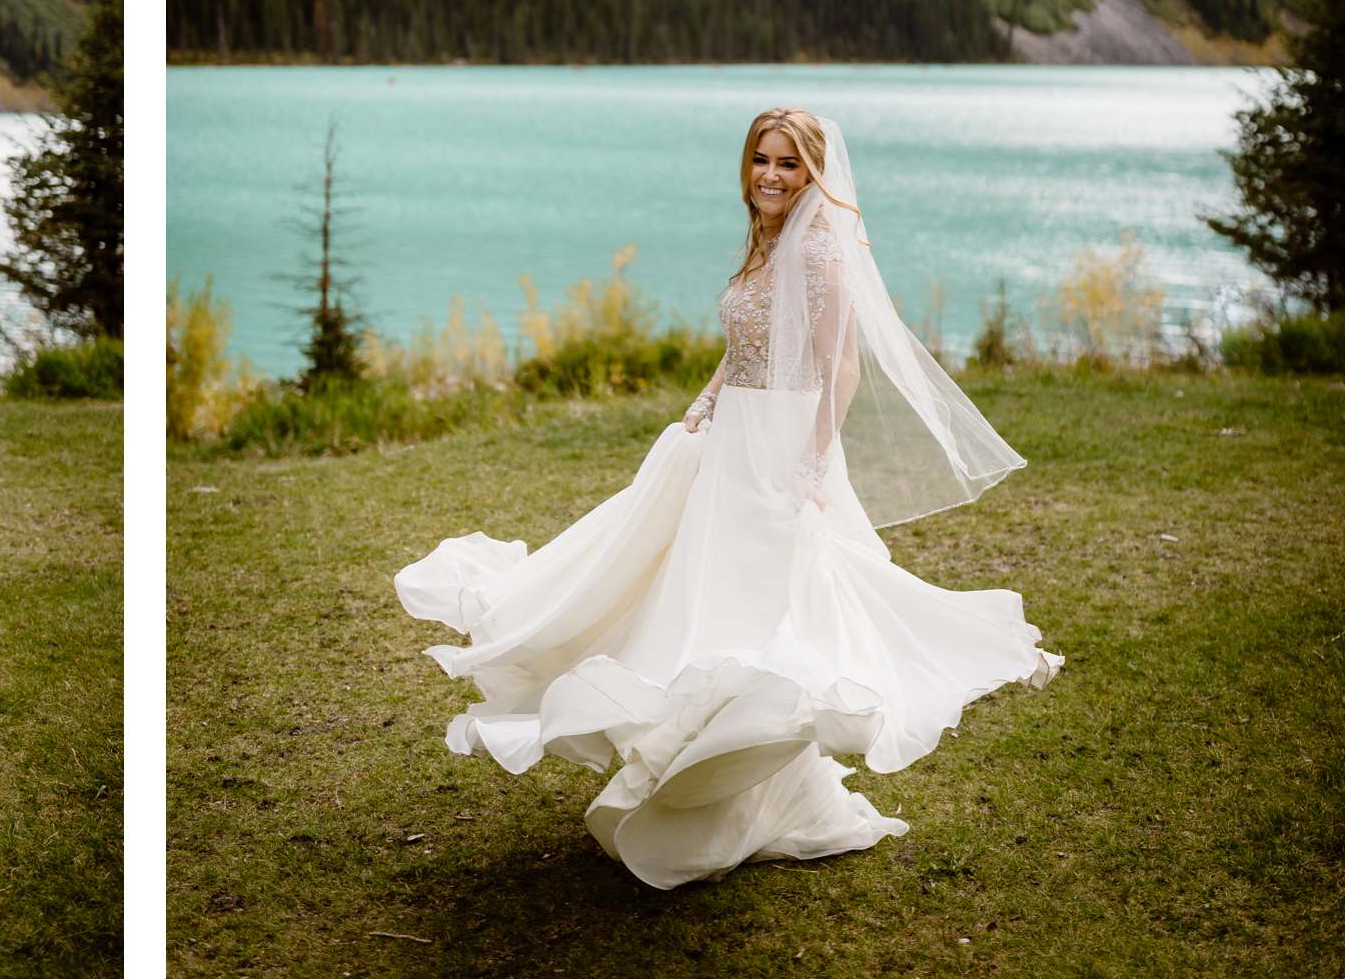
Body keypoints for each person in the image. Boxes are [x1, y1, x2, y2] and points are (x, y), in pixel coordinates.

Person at [395, 108, 1061, 889]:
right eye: (761, 161)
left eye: (788, 165)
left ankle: (740, 788)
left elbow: (838, 366)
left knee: (766, 610)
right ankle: (711, 773)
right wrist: (709, 399)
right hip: (732, 434)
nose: (772, 177)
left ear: (814, 173)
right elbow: (744, 342)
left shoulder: (819, 249)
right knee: (697, 596)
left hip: (782, 445)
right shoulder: (769, 240)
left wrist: (811, 463)